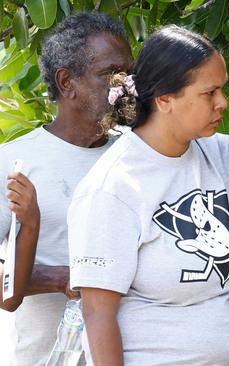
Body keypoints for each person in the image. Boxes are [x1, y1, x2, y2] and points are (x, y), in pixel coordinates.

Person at [66, 25, 229, 365]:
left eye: (222, 90)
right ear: (165, 100)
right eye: (209, 93)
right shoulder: (113, 186)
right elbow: (97, 313)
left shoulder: (221, 154)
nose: (223, 103)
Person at [0, 12, 132, 365]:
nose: (125, 85)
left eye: (129, 73)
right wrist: (62, 276)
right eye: (110, 74)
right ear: (66, 82)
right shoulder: (14, 163)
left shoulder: (137, 154)